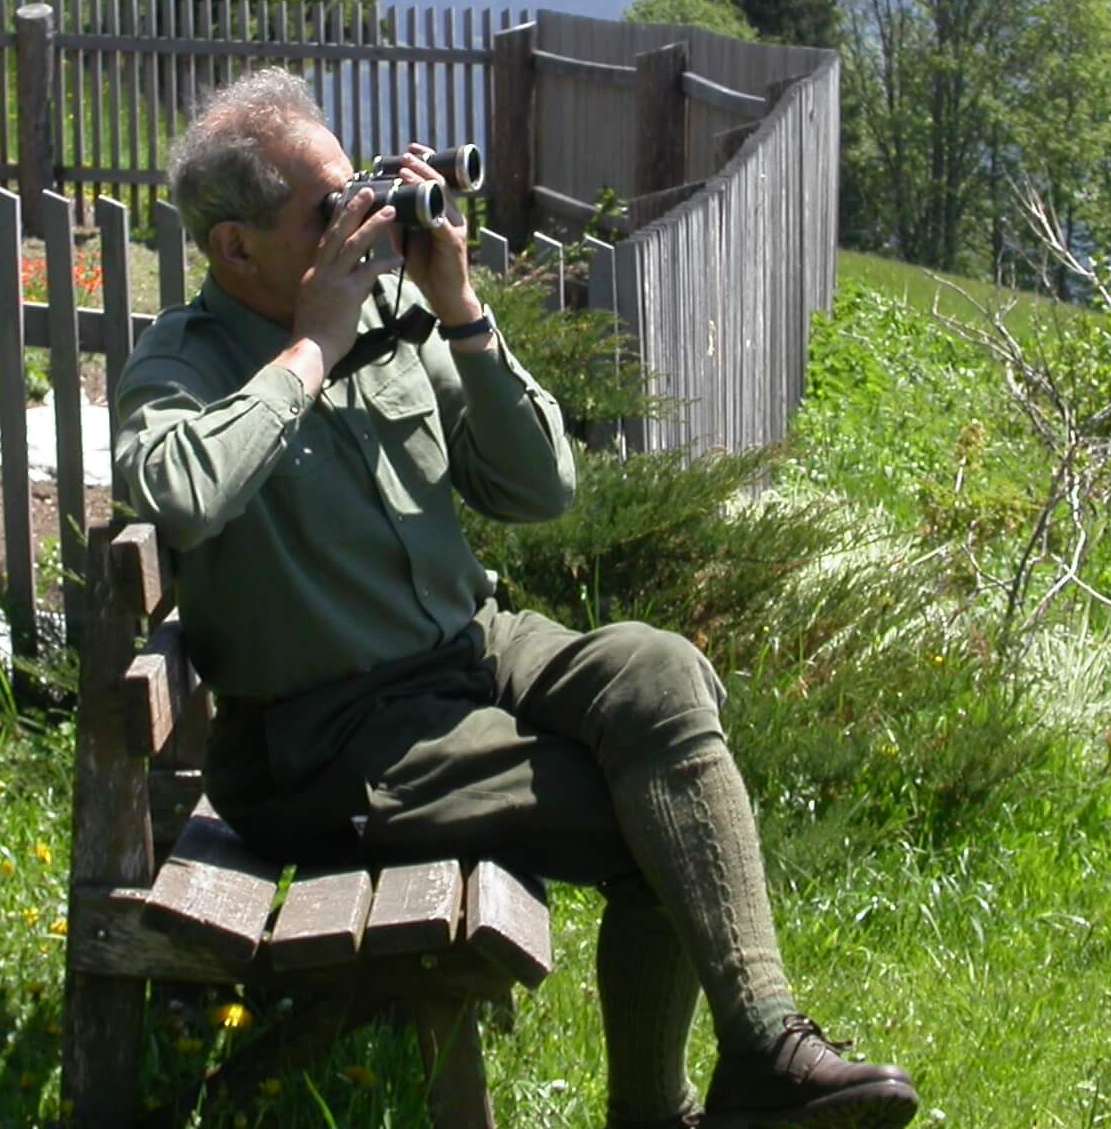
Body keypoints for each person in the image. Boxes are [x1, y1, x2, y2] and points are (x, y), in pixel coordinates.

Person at [111, 68, 918, 1129]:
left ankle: (757, 1043)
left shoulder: (398, 310)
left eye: (363, 187)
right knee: (659, 828)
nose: (362, 215)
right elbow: (176, 489)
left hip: (472, 645)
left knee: (659, 669)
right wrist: (313, 344)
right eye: (328, 205)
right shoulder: (184, 360)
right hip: (333, 735)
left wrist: (460, 307)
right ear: (233, 246)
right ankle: (687, 1096)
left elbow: (541, 488)